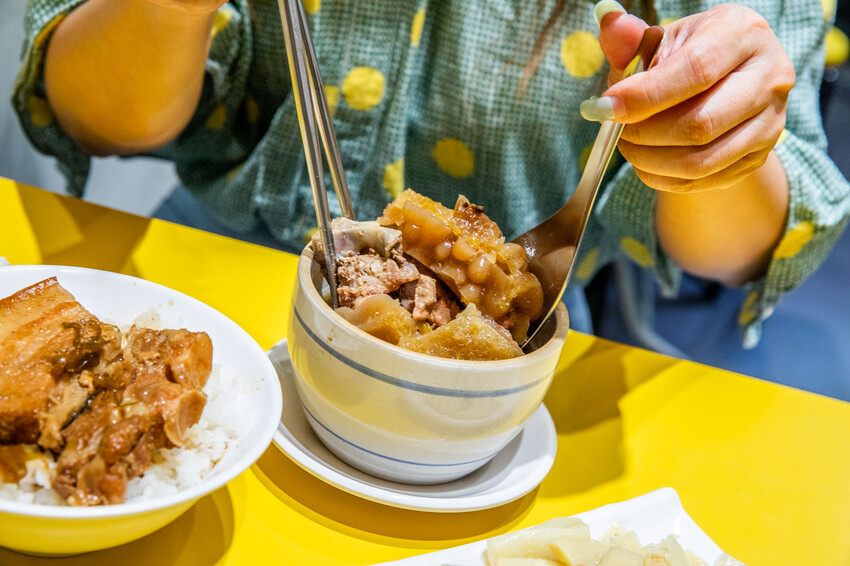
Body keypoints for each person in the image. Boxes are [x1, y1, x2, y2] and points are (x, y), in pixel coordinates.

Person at [12, 0, 850, 347]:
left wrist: (717, 143)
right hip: (205, 290)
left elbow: (742, 250)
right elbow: (87, 114)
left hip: (508, 398)